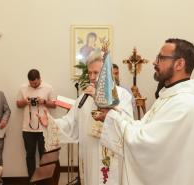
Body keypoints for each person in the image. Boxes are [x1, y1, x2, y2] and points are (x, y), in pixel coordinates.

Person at [93, 38, 194, 185]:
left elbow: (145, 143)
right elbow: (144, 128)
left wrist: (113, 118)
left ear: (179, 64)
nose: (154, 62)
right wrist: (115, 115)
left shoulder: (184, 104)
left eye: (161, 58)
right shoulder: (168, 97)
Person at [38, 51, 134, 185]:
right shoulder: (83, 98)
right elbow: (70, 122)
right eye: (90, 73)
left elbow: (127, 124)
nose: (92, 77)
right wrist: (50, 123)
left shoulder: (122, 95)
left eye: (96, 72)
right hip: (89, 155)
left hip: (110, 158)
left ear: (107, 73)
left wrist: (98, 97)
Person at [16, 69, 56, 180]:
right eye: (31, 83)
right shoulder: (23, 87)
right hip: (27, 128)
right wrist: (25, 101)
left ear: (39, 78)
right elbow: (18, 104)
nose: (33, 85)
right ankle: (32, 179)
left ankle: (44, 180)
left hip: (44, 127)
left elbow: (54, 104)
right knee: (30, 155)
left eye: (35, 83)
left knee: (44, 156)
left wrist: (44, 102)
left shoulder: (48, 87)